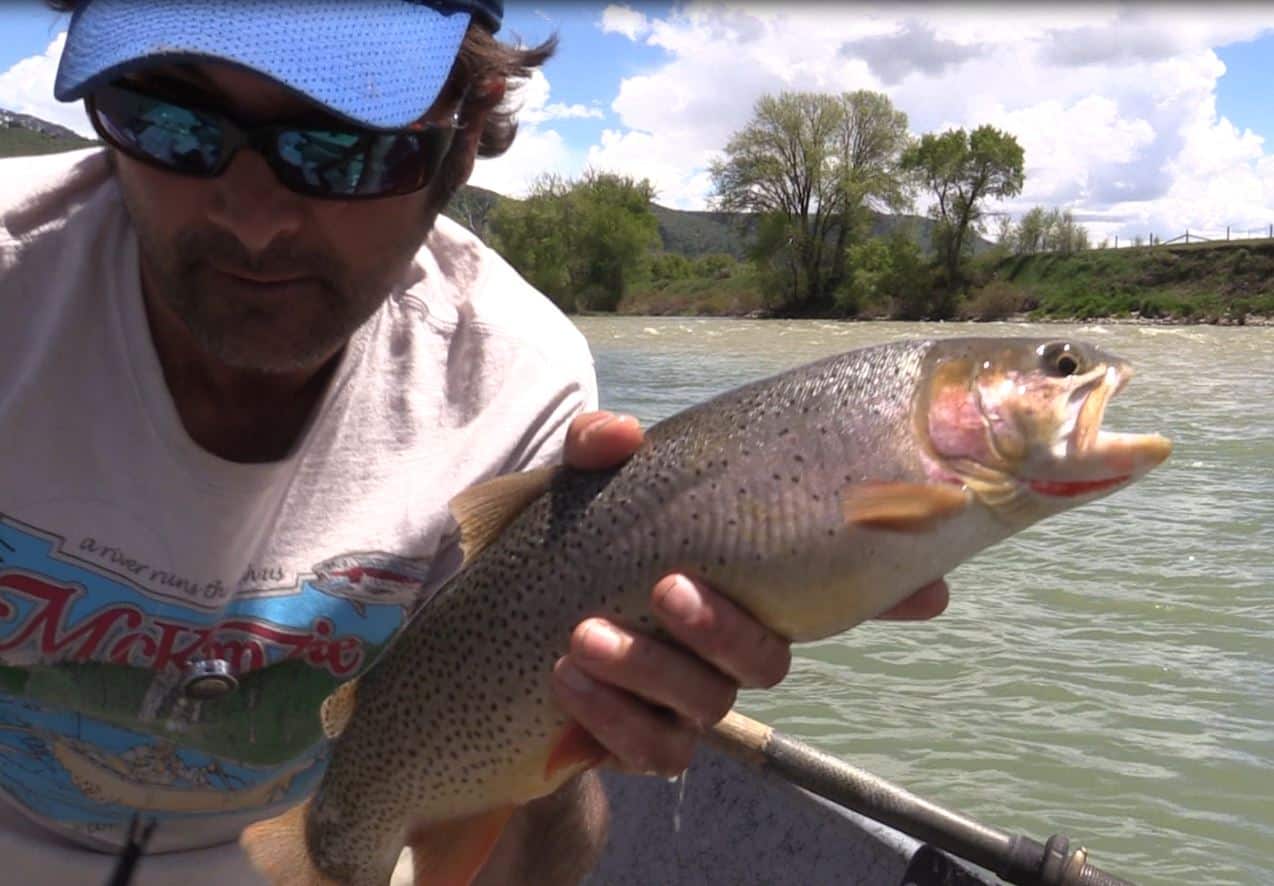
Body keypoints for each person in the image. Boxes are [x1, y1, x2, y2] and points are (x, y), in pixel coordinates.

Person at [0, 1, 948, 883]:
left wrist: (561, 727)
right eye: (170, 123)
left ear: (466, 132)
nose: (253, 218)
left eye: (342, 147)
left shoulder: (521, 387)